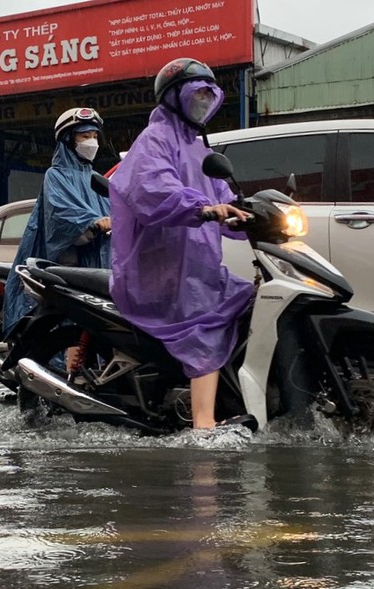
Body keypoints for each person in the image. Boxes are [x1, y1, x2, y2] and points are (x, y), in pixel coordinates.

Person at [108, 58, 255, 430]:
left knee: (248, 302)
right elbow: (154, 189)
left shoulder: (200, 148)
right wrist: (201, 209)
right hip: (162, 268)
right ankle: (203, 423)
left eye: (210, 93)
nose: (204, 100)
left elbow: (222, 196)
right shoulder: (154, 140)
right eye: (197, 92)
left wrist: (246, 215)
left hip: (196, 265)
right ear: (175, 97)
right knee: (206, 326)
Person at [2, 107, 111, 337]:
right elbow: (61, 214)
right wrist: (93, 222)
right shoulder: (56, 175)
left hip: (96, 262)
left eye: (94, 136)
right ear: (69, 140)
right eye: (84, 136)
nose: (91, 142)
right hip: (68, 260)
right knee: (73, 320)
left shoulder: (94, 176)